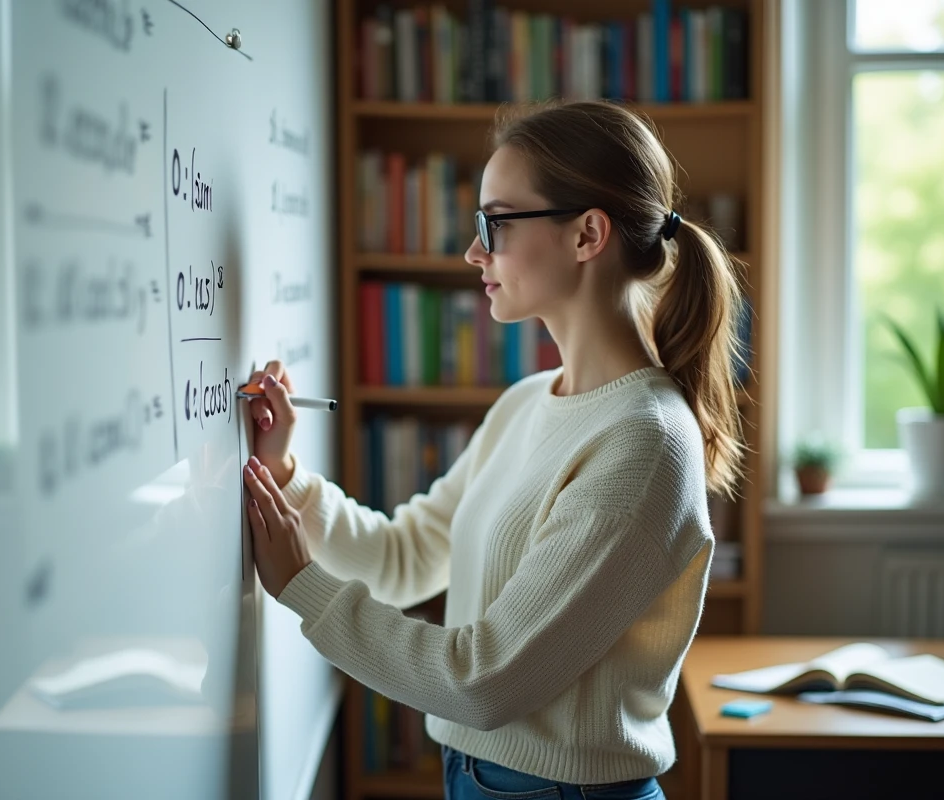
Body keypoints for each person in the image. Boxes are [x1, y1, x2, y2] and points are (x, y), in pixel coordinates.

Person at [241, 100, 745, 800]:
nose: (475, 252)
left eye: (497, 224)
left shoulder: (645, 444)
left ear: (587, 235)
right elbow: (403, 559)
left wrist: (301, 585)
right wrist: (285, 479)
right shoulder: (527, 402)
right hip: (482, 782)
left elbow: (484, 683)